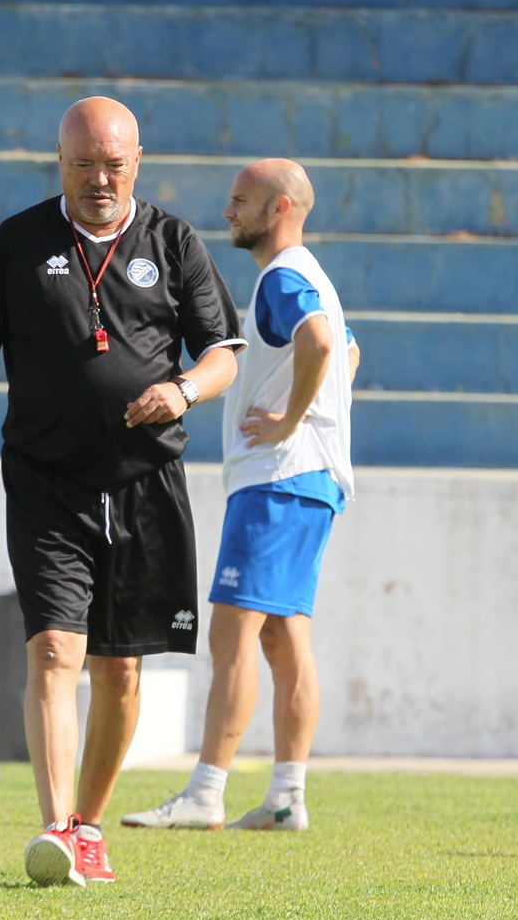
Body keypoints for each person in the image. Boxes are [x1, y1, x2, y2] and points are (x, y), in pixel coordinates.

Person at [0, 97, 246, 886]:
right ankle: (52, 827)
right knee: (52, 652)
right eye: (84, 166)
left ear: (137, 161)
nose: (99, 180)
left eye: (113, 165)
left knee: (120, 671)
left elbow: (223, 355)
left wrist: (183, 391)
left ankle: (89, 825)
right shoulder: (19, 241)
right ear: (60, 162)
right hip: (46, 483)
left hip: (146, 482)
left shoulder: (174, 241)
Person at [121, 159, 357, 833]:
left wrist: (287, 421)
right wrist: (314, 413)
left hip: (279, 478)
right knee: (285, 641)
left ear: (279, 207)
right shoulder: (312, 277)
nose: (228, 213)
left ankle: (206, 793)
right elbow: (346, 351)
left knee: (232, 633)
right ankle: (287, 797)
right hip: (310, 477)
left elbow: (317, 342)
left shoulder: (284, 277)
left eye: (240, 201)